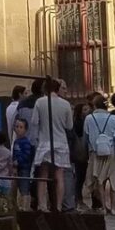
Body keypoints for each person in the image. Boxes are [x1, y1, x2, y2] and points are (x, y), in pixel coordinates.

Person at [28, 76, 73, 214]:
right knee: (59, 175)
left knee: (43, 174)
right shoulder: (65, 104)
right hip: (61, 142)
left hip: (45, 141)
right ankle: (58, 206)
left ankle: (42, 205)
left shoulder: (40, 102)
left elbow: (34, 121)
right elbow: (69, 126)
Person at [81, 92, 115, 214]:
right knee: (114, 180)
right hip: (112, 153)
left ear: (94, 106)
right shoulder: (114, 118)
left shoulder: (89, 118)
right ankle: (112, 207)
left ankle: (102, 206)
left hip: (95, 153)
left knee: (99, 179)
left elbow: (85, 137)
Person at [9, 116, 35, 208]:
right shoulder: (16, 141)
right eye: (17, 127)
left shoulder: (26, 142)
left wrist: (18, 161)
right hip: (16, 168)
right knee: (14, 187)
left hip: (24, 168)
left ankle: (25, 207)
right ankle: (14, 206)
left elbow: (26, 155)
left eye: (21, 127)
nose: (18, 129)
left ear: (25, 129)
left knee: (24, 188)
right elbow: (14, 154)